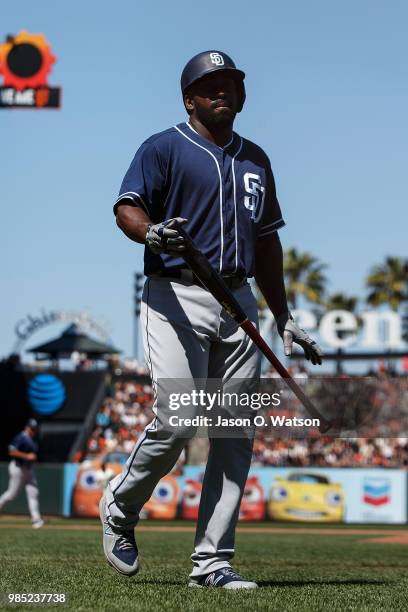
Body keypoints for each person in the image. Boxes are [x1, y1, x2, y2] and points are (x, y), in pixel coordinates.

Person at [100, 50, 322, 589]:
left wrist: (284, 315)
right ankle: (120, 507)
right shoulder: (164, 147)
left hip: (238, 299)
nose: (222, 91)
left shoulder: (256, 159)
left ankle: (212, 562)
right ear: (189, 98)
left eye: (230, 84)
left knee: (234, 433)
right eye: (210, 85)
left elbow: (267, 243)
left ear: (242, 96)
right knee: (178, 419)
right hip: (176, 292)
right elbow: (126, 207)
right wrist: (148, 231)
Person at [0, 418, 44, 528]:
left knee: (33, 492)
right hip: (17, 468)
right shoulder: (21, 437)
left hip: (28, 469)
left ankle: (36, 519)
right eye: (32, 428)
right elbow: (11, 451)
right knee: (11, 494)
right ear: (27, 427)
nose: (33, 430)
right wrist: (27, 456)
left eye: (35, 429)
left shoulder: (33, 439)